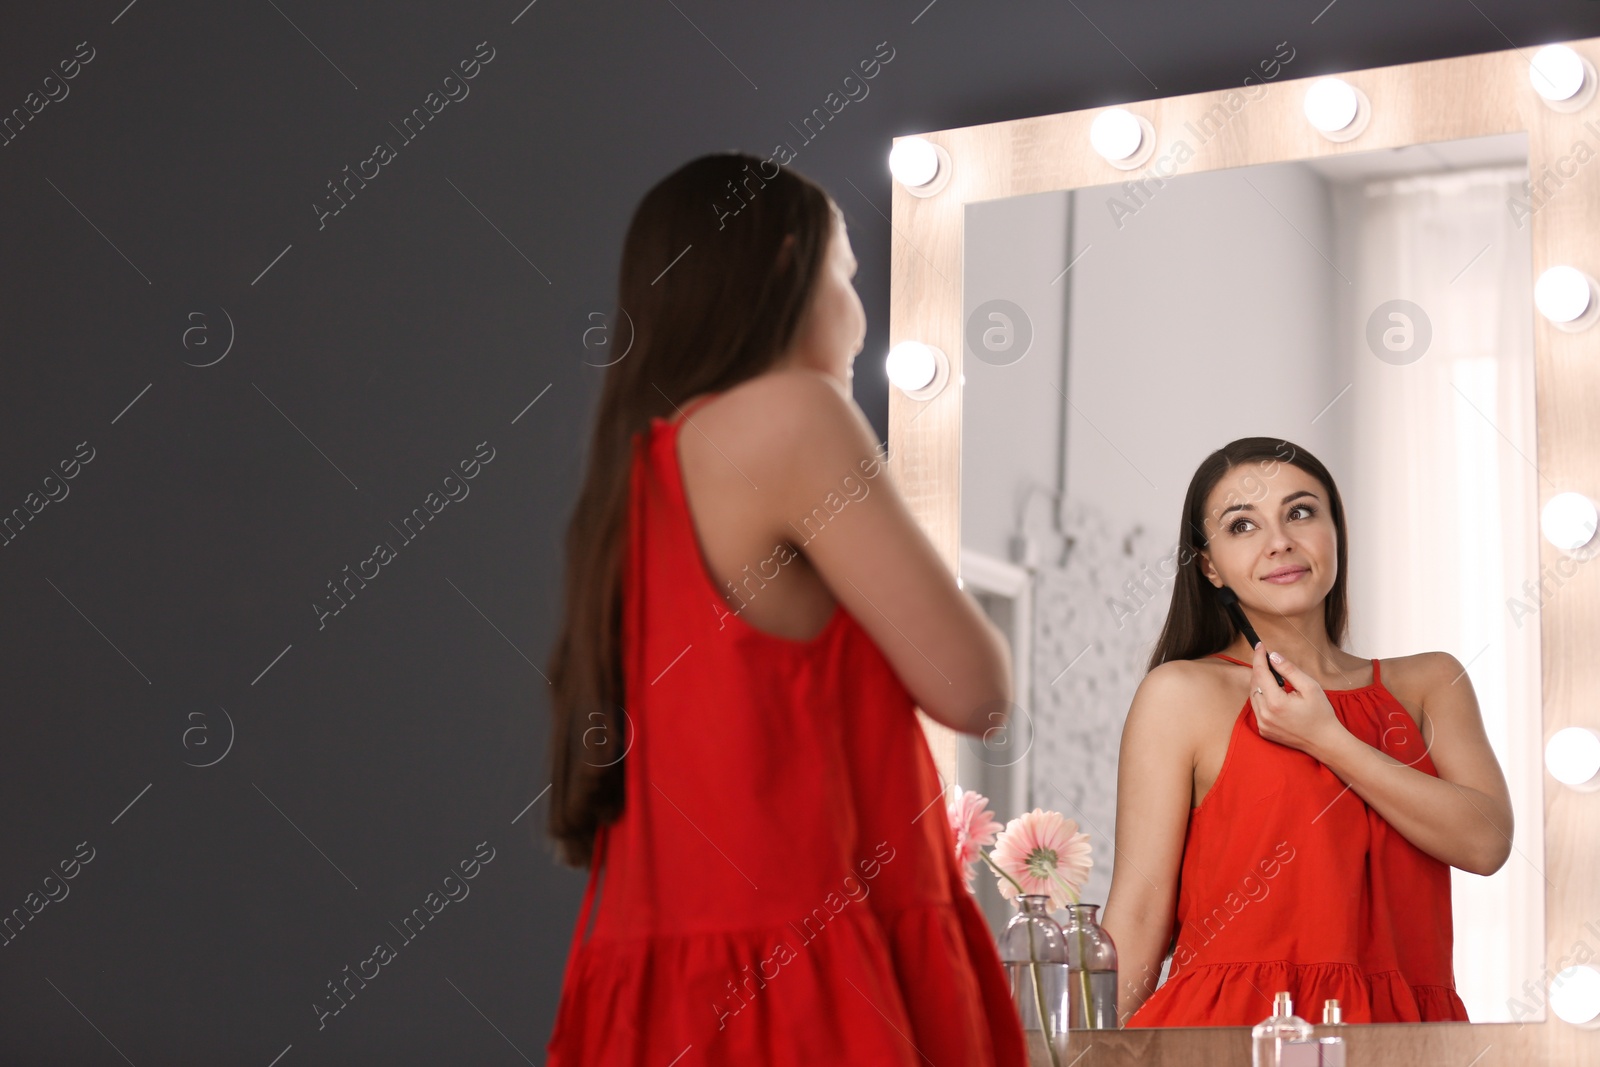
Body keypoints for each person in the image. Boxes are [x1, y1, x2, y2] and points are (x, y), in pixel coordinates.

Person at [542, 152, 1028, 1065]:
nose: (860, 312)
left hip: (659, 997)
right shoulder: (793, 417)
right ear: (786, 266)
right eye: (848, 274)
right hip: (809, 992)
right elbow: (976, 691)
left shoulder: (632, 481)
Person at [1099, 437, 1512, 1027]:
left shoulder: (1430, 682)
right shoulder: (1182, 694)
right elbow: (1140, 911)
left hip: (1408, 1037)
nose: (1279, 542)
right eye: (1242, 525)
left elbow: (1486, 843)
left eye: (1300, 512)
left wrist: (1327, 738)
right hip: (1225, 1036)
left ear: (1334, 531)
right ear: (1210, 564)